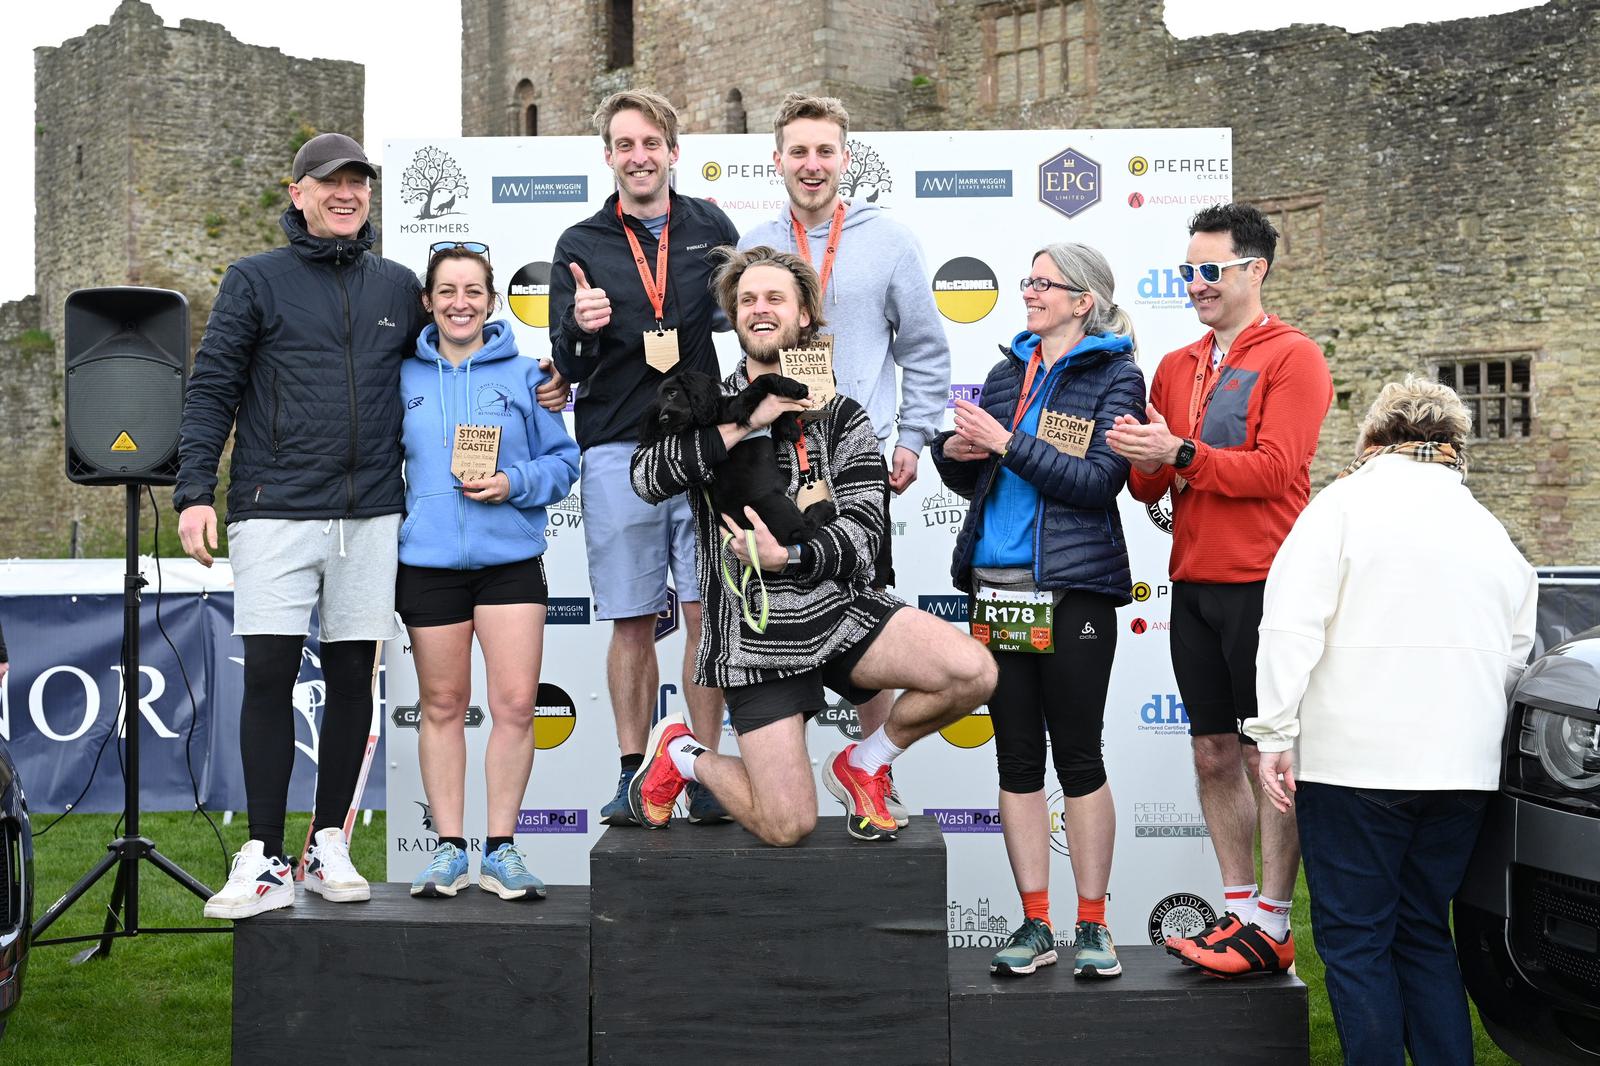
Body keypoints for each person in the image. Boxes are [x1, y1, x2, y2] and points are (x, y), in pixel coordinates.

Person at [628, 246, 995, 845]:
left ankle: (864, 762)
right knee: (786, 825)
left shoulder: (842, 415)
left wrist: (791, 557)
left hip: (841, 610)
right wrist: (745, 421)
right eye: (747, 300)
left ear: (805, 317)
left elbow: (865, 533)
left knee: (973, 671)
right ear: (734, 317)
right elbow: (646, 479)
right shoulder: (701, 404)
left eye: (776, 298)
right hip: (754, 631)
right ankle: (683, 754)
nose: (760, 309)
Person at [1249, 376, 1536, 1064]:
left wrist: (1275, 732)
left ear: (1372, 439)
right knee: (1421, 932)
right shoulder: (1490, 531)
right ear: (1455, 446)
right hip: (1462, 768)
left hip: (1357, 761)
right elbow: (1517, 653)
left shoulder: (1340, 507)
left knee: (1354, 940)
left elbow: (1289, 626)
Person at [176, 133, 425, 919]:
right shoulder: (255, 279)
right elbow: (212, 387)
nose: (346, 193)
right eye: (330, 182)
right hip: (274, 509)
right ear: (298, 193)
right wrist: (193, 492)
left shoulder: (400, 286)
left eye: (358, 182)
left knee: (355, 680)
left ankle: (327, 844)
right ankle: (261, 855)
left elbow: (447, 370)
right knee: (271, 678)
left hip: (371, 513)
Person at [1106, 203, 1332, 975]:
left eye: (1209, 271)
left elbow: (1275, 470)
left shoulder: (1295, 357)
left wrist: (1181, 450)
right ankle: (1238, 915)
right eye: (1187, 271)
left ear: (1254, 271)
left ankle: (1273, 920)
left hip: (1267, 583)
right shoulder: (1174, 364)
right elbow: (1147, 489)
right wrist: (1141, 454)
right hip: (1192, 583)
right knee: (1210, 754)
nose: (1195, 284)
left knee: (1268, 754)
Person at [932, 243, 1144, 979]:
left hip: (1073, 592)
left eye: (1041, 283)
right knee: (1016, 759)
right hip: (996, 586)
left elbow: (1096, 482)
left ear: (1082, 300)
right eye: (1026, 280)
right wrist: (957, 454)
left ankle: (1093, 926)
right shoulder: (1004, 371)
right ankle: (1034, 924)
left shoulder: (1117, 376)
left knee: (1078, 756)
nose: (1027, 292)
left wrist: (1007, 442)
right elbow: (981, 482)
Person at [738, 94, 951, 821]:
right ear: (778, 161)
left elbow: (924, 348)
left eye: (824, 150)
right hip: (770, 464)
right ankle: (784, 779)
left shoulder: (888, 239)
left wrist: (913, 437)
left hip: (855, 461)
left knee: (868, 613)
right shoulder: (758, 242)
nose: (811, 164)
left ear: (845, 158)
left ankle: (870, 779)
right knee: (778, 615)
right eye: (798, 151)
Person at [544, 90, 740, 827]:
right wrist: (583, 327)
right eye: (624, 144)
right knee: (631, 619)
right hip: (617, 446)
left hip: (699, 446)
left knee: (703, 612)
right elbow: (564, 359)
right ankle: (634, 774)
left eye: (651, 142)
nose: (639, 156)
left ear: (673, 151)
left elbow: (746, 312)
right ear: (608, 157)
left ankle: (704, 772)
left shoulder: (710, 226)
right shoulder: (581, 241)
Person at [398, 244, 579, 900]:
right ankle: (448, 849)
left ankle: (501, 849)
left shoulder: (530, 375)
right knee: (443, 705)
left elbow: (564, 463)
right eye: (446, 291)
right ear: (428, 301)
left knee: (513, 707)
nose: (459, 303)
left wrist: (514, 483)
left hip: (509, 564)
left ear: (492, 300)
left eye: (473, 290)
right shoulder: (402, 378)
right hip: (427, 566)